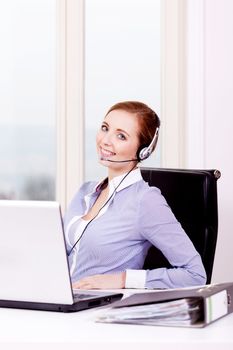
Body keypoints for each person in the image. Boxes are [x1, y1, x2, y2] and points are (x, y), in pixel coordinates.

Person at [64, 101, 206, 290]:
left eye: (121, 136)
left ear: (143, 150)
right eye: (105, 128)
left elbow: (195, 274)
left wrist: (122, 280)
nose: (105, 140)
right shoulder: (85, 191)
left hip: (100, 311)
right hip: (59, 302)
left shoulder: (145, 200)